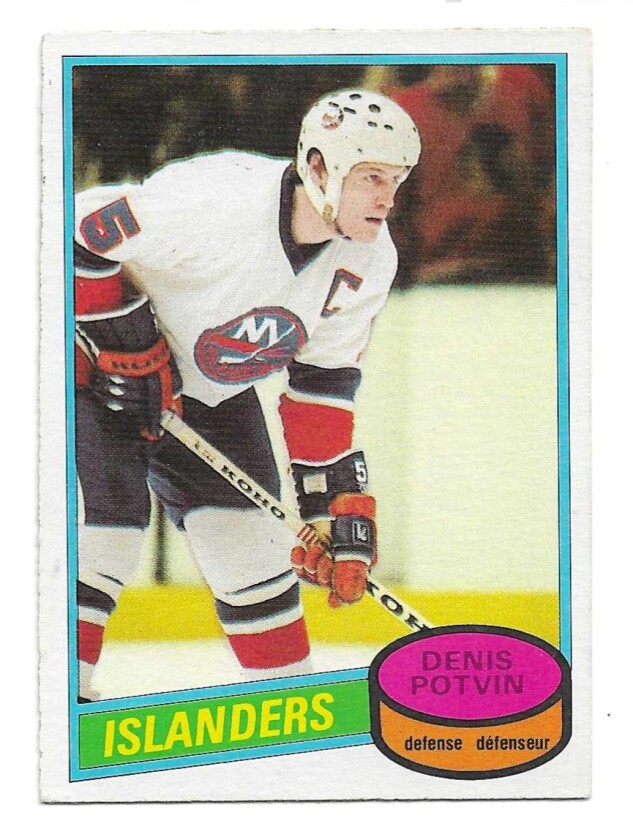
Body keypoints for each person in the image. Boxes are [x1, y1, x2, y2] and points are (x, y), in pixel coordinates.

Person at [73, 89, 421, 701]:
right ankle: (53, 696)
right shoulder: (217, 204)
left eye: (396, 180)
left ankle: (282, 706)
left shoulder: (370, 259)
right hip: (91, 374)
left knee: (254, 552)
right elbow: (74, 234)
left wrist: (326, 509)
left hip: (208, 393)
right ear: (318, 167)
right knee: (107, 530)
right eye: (371, 177)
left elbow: (322, 384)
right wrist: (125, 338)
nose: (386, 199)